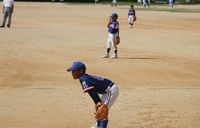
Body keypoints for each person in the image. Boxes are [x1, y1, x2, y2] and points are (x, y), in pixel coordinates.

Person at [67, 61, 119, 128]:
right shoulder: (83, 78)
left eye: (74, 71)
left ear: (81, 71)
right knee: (100, 110)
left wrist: (98, 103)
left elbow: (92, 92)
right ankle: (97, 125)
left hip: (111, 90)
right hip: (107, 90)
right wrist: (98, 103)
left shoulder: (84, 79)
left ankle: (99, 126)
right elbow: (92, 92)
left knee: (102, 111)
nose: (72, 73)